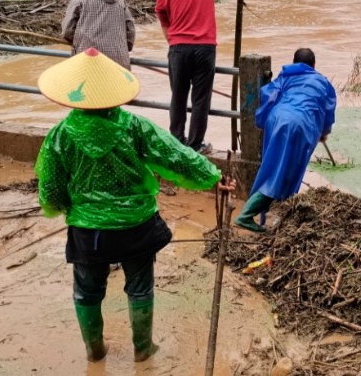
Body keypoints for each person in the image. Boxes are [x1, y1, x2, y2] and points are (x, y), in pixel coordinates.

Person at [34, 48, 233, 363]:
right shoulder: (134, 126)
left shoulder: (60, 135)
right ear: (115, 93)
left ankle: (94, 350)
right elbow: (176, 155)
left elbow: (51, 187)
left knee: (87, 290)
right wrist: (212, 177)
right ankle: (142, 349)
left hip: (89, 231)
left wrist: (64, 208)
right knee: (140, 287)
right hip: (136, 226)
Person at [149, 0, 252, 153]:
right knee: (200, 100)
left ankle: (177, 143)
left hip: (179, 48)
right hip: (205, 49)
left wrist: (175, 45)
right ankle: (195, 146)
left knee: (177, 98)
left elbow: (165, 23)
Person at [234, 48, 337, 232]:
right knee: (282, 173)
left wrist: (262, 120)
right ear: (314, 65)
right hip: (299, 124)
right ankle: (246, 215)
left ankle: (276, 214)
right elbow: (328, 112)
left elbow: (269, 95)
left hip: (276, 119)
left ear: (294, 62)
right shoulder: (323, 82)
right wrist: (324, 132)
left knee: (272, 167)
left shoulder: (286, 76)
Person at [61, 0, 136, 69]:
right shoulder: (120, 0)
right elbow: (130, 32)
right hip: (118, 65)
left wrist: (79, 43)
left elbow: (67, 31)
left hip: (88, 63)